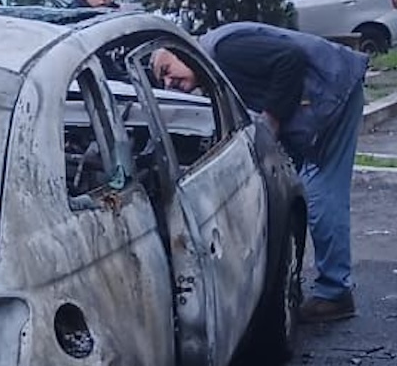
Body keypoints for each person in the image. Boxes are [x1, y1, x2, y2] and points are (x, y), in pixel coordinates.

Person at [153, 24, 368, 323]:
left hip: (334, 91)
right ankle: (279, 282)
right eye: (161, 81)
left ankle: (335, 294)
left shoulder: (223, 51)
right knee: (278, 191)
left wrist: (272, 120)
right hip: (317, 102)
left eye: (166, 70)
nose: (168, 83)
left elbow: (290, 59)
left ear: (183, 52)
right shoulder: (215, 66)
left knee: (321, 192)